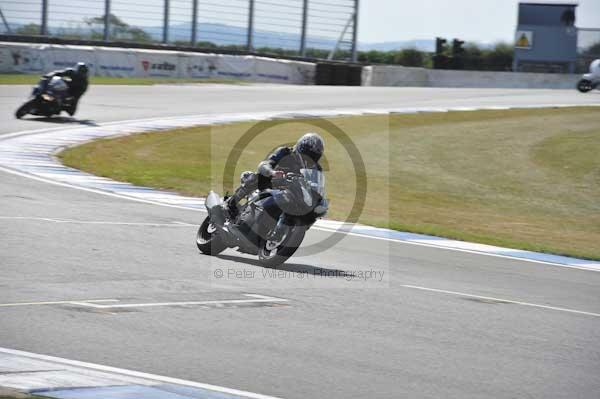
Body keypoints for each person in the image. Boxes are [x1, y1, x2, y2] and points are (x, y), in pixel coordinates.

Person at [226, 132, 325, 221]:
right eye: (309, 154)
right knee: (258, 177)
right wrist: (272, 172)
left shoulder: (316, 168)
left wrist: (319, 201)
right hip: (272, 184)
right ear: (301, 148)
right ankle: (231, 204)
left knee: (314, 210)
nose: (310, 158)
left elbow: (317, 187)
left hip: (292, 193)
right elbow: (264, 165)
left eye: (314, 156)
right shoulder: (284, 152)